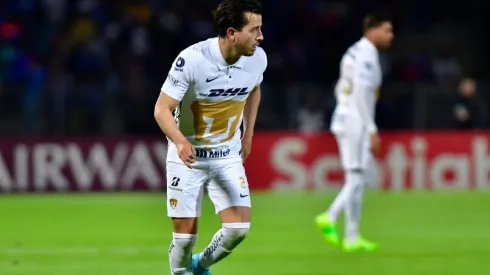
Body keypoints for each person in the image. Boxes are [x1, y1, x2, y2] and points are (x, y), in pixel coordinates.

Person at [153, 0, 266, 274]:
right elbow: (161, 109)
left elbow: (254, 90)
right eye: (254, 30)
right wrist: (180, 141)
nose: (260, 37)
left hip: (227, 155)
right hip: (189, 158)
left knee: (238, 229)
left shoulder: (257, 59)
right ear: (231, 33)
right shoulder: (191, 60)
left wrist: (248, 133)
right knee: (184, 239)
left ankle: (199, 265)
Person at [315, 12, 394, 252]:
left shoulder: (355, 51)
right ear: (373, 30)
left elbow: (343, 88)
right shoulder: (367, 56)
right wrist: (371, 129)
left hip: (348, 118)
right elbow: (361, 93)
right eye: (387, 30)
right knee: (359, 177)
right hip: (356, 121)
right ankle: (329, 216)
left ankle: (351, 236)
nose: (391, 36)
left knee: (356, 179)